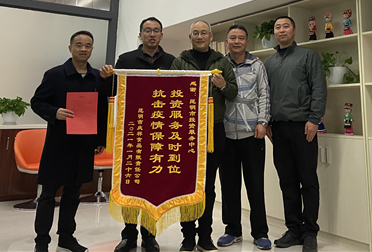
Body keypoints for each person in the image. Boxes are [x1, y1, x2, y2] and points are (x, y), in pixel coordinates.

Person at [100, 17, 175, 252]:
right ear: (140, 35)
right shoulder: (126, 60)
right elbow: (112, 91)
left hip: (159, 132)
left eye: (156, 30)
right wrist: (105, 79)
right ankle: (129, 236)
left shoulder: (171, 62)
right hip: (132, 131)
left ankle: (149, 236)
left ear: (161, 35)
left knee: (154, 184)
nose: (152, 34)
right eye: (147, 30)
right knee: (131, 183)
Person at [31, 31, 108, 252]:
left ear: (92, 49)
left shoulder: (97, 77)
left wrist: (100, 139)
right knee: (47, 195)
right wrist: (54, 112)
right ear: (70, 48)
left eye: (88, 45)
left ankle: (66, 237)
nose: (83, 49)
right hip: (58, 144)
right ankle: (41, 242)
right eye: (79, 45)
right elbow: (37, 102)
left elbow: (102, 110)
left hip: (84, 145)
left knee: (73, 194)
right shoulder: (54, 75)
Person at [170, 20, 238, 252]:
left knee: (208, 185)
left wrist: (222, 85)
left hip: (214, 129)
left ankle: (205, 236)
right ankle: (188, 236)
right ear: (190, 37)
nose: (199, 36)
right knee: (187, 184)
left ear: (211, 36)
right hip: (185, 129)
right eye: (195, 33)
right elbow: (170, 92)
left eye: (203, 33)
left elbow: (232, 92)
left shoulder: (222, 61)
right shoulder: (180, 61)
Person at [264, 16, 327, 252]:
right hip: (278, 129)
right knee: (287, 181)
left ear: (294, 30)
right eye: (277, 27)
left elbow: (319, 88)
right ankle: (293, 229)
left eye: (286, 26)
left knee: (308, 181)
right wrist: (267, 122)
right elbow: (265, 94)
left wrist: (314, 119)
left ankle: (310, 232)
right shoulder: (269, 62)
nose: (281, 30)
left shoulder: (308, 56)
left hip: (304, 127)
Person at [217, 25, 271, 250]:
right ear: (226, 42)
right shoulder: (220, 65)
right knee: (229, 186)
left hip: (253, 134)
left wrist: (262, 122)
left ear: (247, 42)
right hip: (226, 134)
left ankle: (260, 232)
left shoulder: (257, 65)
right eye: (233, 38)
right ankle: (232, 230)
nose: (237, 41)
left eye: (241, 38)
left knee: (255, 185)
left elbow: (264, 94)